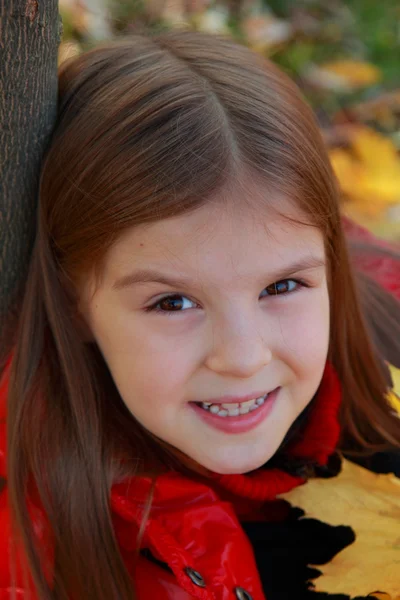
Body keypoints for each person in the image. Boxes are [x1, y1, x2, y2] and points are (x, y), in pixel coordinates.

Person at [0, 29, 399, 600]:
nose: (242, 357)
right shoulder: (39, 542)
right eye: (173, 302)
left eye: (283, 285)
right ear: (74, 303)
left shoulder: (393, 349)